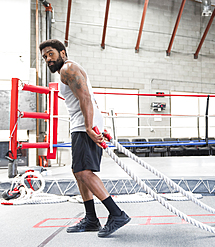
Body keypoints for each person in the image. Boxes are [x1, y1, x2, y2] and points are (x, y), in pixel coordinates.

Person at [39, 39, 131, 238]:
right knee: (78, 171)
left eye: (50, 54)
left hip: (83, 125)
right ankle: (91, 218)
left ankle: (117, 214)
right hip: (81, 124)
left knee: (84, 172)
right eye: (45, 56)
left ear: (62, 53)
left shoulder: (68, 69)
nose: (48, 59)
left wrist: (89, 127)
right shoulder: (68, 70)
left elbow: (86, 98)